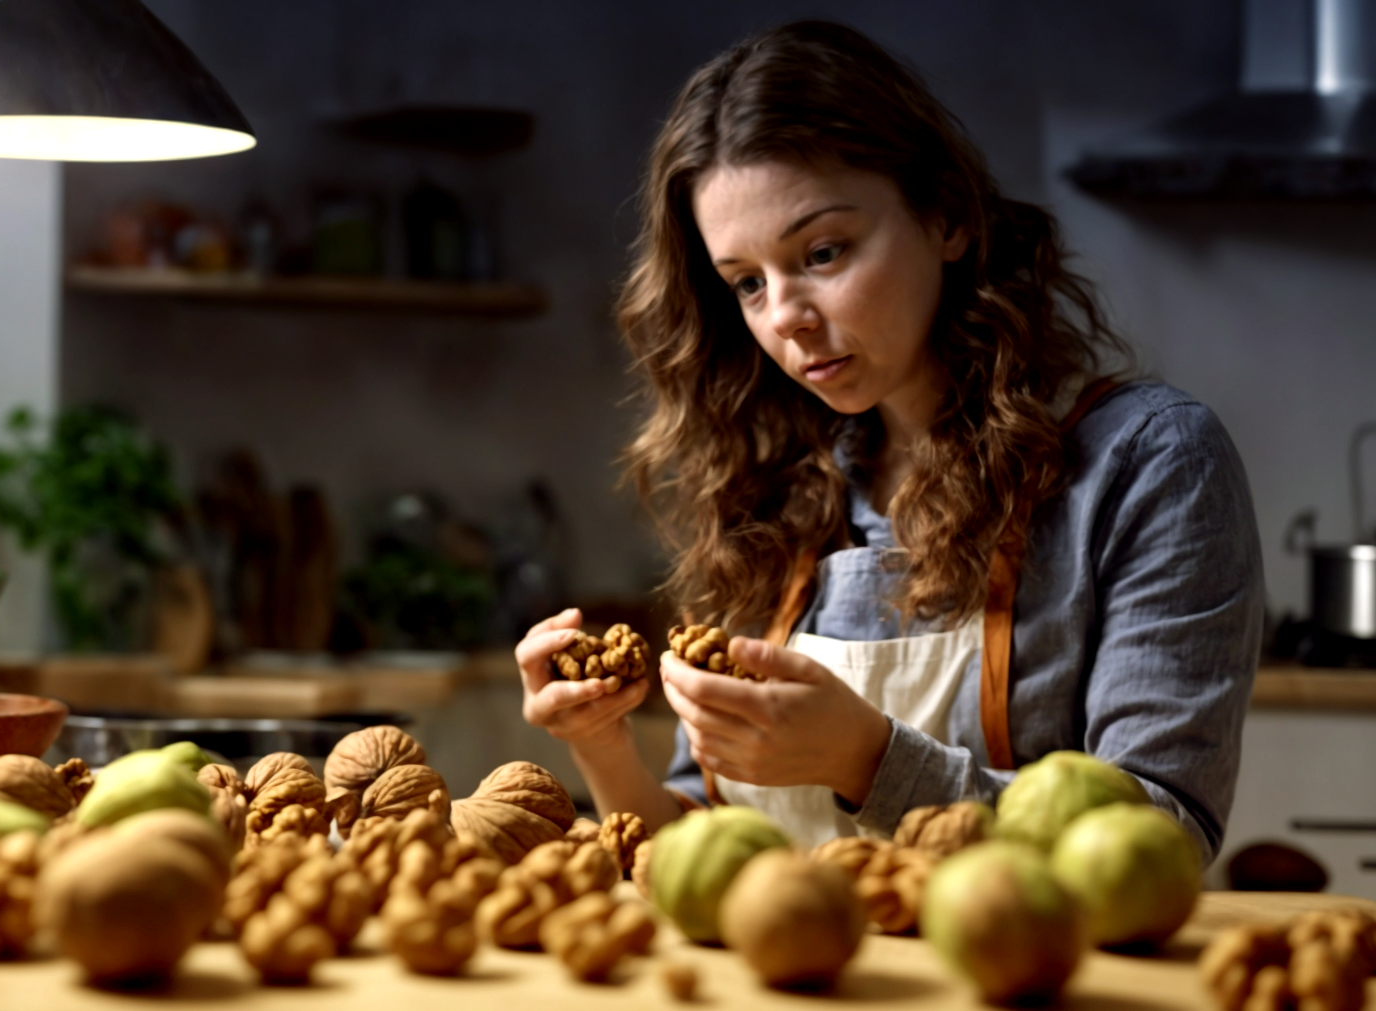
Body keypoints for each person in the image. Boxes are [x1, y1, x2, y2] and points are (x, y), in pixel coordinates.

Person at [514, 21, 1260, 862]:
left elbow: (1161, 838)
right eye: (747, 284)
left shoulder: (1146, 461)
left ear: (944, 214)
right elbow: (711, 844)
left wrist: (868, 759)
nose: (786, 317)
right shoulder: (769, 486)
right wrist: (603, 744)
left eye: (823, 251)